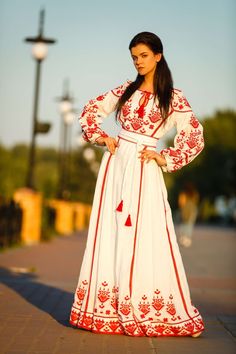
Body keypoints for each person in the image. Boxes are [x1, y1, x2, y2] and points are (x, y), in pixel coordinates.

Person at [69, 32, 205, 337]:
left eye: (143, 55)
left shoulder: (173, 97)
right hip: (116, 166)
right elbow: (90, 111)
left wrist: (164, 157)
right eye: (134, 56)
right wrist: (102, 137)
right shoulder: (125, 90)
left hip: (145, 168)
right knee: (112, 229)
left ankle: (152, 306)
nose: (138, 61)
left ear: (158, 55)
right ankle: (105, 309)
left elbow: (194, 135)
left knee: (149, 233)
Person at [178, 182, 200, 247]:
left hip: (185, 209)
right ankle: (187, 239)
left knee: (184, 224)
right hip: (193, 210)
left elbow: (181, 202)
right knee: (190, 225)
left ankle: (183, 238)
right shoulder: (194, 193)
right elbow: (196, 201)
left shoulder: (183, 193)